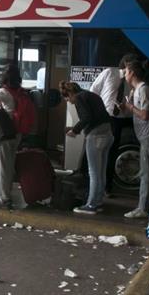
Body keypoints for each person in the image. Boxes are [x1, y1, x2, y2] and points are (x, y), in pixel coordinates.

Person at [60, 81, 113, 215]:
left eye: (67, 99)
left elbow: (86, 117)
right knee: (101, 171)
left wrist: (75, 131)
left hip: (95, 136)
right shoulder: (91, 95)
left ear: (70, 94)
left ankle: (91, 205)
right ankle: (98, 202)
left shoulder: (79, 98)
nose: (69, 101)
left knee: (93, 172)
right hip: (108, 133)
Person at [90, 54, 139, 194]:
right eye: (132, 65)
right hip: (109, 117)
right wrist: (97, 112)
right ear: (126, 63)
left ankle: (107, 185)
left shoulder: (133, 79)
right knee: (105, 151)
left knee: (115, 152)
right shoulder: (109, 73)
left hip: (126, 118)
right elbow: (94, 91)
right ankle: (101, 186)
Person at [120, 61, 149, 219]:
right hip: (144, 137)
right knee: (148, 172)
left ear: (132, 73)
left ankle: (143, 208)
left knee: (147, 174)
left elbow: (145, 115)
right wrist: (126, 107)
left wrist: (131, 107)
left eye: (126, 71)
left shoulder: (144, 89)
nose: (124, 74)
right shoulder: (136, 90)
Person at [0, 64, 22, 210]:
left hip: (5, 134)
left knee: (2, 167)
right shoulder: (20, 92)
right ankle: (6, 195)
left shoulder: (2, 92)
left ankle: (4, 199)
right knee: (9, 166)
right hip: (17, 133)